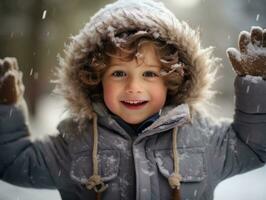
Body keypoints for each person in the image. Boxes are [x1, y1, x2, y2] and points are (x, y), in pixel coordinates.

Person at [0, 0, 266, 199]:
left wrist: (255, 86)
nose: (133, 86)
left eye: (149, 73)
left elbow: (254, 148)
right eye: (118, 73)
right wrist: (5, 109)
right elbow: (14, 163)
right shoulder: (76, 140)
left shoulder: (203, 137)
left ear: (171, 79)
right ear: (95, 78)